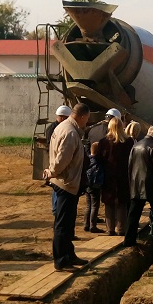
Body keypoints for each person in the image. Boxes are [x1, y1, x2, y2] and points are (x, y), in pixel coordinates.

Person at [43, 103, 91, 271]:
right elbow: (62, 159)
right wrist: (52, 172)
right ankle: (61, 260)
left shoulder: (64, 126)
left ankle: (69, 254)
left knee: (68, 222)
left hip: (67, 182)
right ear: (83, 117)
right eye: (87, 119)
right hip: (65, 182)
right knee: (63, 224)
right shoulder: (70, 133)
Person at [96, 110, 133, 236]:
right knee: (122, 203)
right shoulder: (128, 142)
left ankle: (110, 229)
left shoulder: (103, 142)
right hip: (123, 176)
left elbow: (99, 159)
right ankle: (121, 229)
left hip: (108, 176)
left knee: (109, 203)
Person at [83, 142, 103, 233]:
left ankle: (86, 224)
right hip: (95, 186)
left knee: (88, 205)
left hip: (87, 185)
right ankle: (93, 226)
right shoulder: (98, 162)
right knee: (95, 206)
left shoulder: (88, 160)